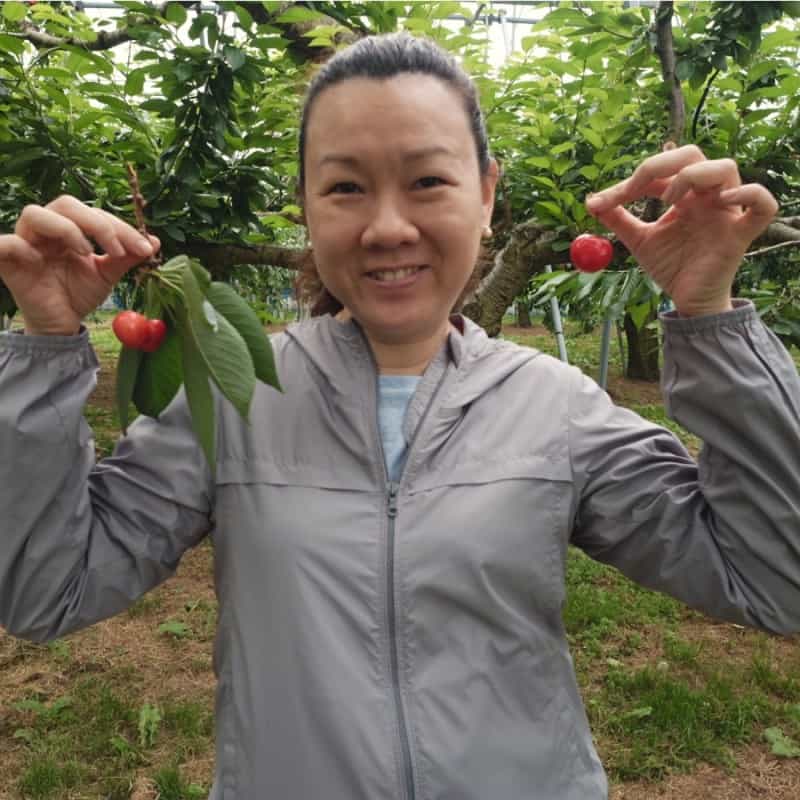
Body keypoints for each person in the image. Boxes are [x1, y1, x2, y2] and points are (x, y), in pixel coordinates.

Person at [1, 32, 798, 800]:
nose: (387, 226)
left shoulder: (556, 409)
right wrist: (43, 347)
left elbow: (776, 581)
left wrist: (708, 315)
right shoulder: (240, 398)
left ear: (486, 195)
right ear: (306, 207)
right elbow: (44, 593)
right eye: (345, 186)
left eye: (427, 182)